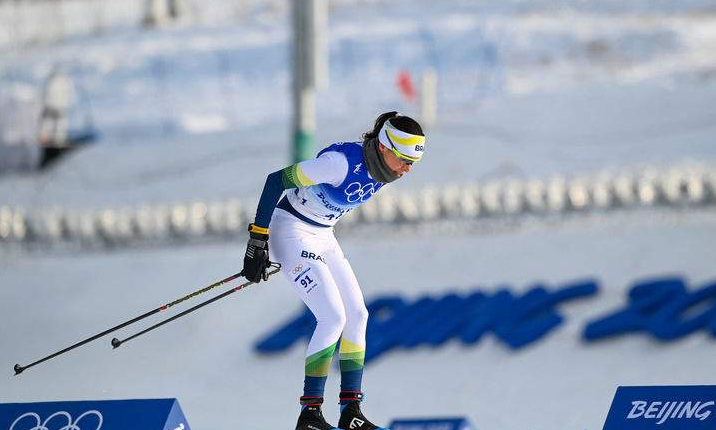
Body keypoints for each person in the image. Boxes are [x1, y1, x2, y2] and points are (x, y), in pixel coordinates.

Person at [242, 111, 426, 430]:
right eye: (404, 159)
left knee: (358, 315)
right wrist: (258, 239)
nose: (407, 169)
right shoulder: (338, 164)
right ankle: (310, 414)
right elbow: (276, 181)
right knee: (332, 317)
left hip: (323, 235)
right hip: (291, 230)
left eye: (413, 163)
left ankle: (350, 410)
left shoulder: (383, 168)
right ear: (384, 146)